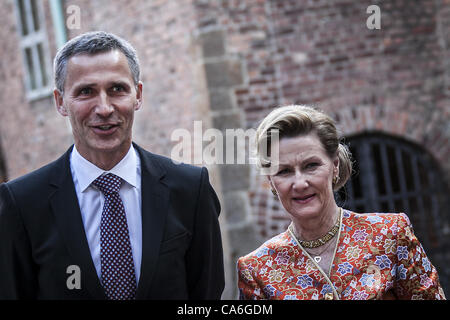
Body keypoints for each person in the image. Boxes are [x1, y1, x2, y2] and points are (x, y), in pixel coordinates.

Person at [0, 31, 224, 300]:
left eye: (117, 89)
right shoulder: (23, 204)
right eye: (86, 92)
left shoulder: (190, 189)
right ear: (60, 102)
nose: (104, 108)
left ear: (137, 95)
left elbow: (206, 295)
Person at [237, 105, 446, 300]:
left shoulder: (390, 234)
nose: (299, 183)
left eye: (311, 165)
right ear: (271, 181)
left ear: (334, 165)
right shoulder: (256, 270)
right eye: (284, 171)